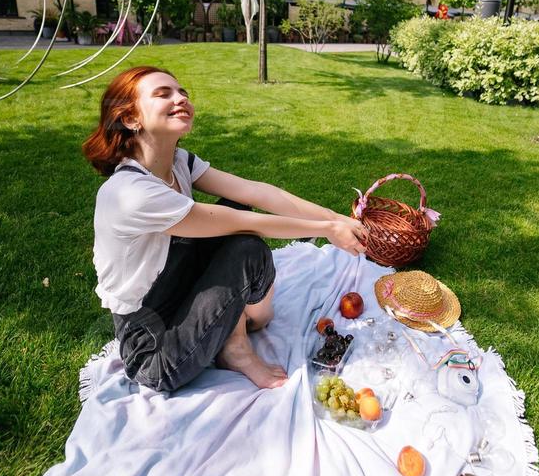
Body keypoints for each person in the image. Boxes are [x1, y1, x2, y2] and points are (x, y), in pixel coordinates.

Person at [83, 65, 367, 394]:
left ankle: (235, 329)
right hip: (155, 350)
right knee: (247, 249)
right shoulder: (129, 193)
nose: (181, 99)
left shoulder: (178, 162)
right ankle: (237, 350)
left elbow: (260, 193)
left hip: (174, 288)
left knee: (237, 209)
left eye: (182, 92)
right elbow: (248, 225)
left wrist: (337, 220)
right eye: (164, 94)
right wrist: (327, 229)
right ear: (130, 119)